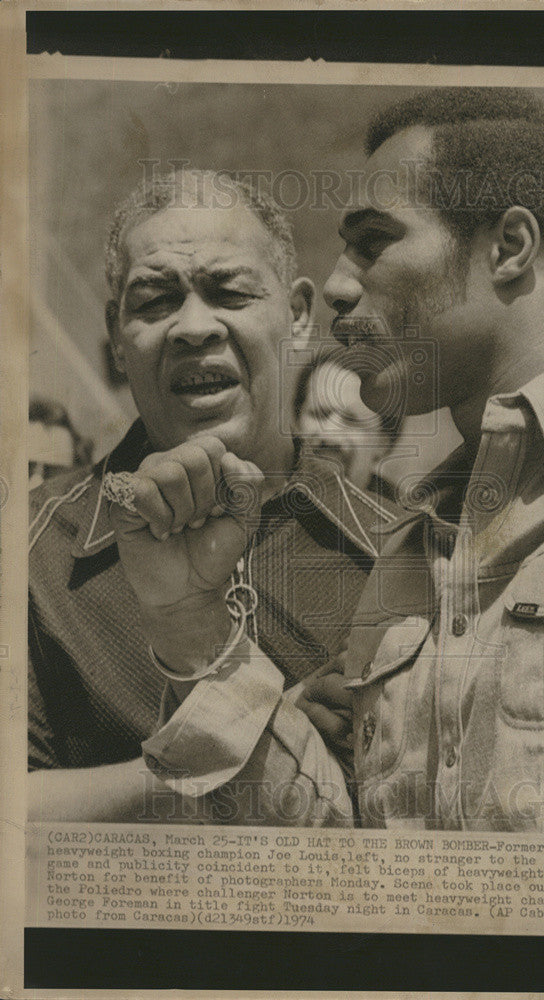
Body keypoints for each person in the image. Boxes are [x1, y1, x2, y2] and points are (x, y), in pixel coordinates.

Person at [106, 87, 544, 832]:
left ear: (508, 249)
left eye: (373, 242)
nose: (340, 285)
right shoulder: (414, 537)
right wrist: (194, 627)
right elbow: (348, 862)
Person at [28, 169, 399, 823]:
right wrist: (251, 746)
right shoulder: (25, 555)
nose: (193, 327)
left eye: (229, 291)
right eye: (154, 301)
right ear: (116, 335)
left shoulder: (400, 552)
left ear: (299, 315)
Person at [294, 345, 402, 502]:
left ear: (383, 443)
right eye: (318, 414)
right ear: (296, 423)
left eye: (351, 420)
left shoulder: (413, 524)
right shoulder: (259, 510)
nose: (329, 433)